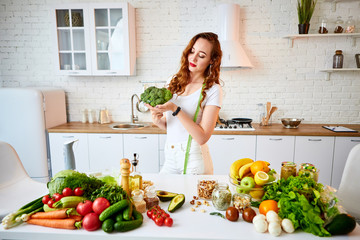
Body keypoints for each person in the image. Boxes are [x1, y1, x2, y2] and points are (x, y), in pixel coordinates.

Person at [145, 32, 223, 175]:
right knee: (158, 194)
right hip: (170, 154)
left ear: (212, 60)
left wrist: (175, 109)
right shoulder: (173, 81)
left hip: (193, 157)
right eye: (192, 51)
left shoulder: (212, 89)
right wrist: (158, 121)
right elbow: (174, 128)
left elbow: (202, 137)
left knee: (189, 197)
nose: (193, 58)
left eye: (201, 55)